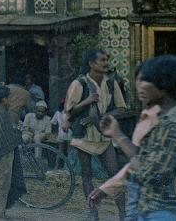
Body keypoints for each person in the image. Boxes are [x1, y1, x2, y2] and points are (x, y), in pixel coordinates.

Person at [87, 63, 163, 220]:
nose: (141, 87)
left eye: (147, 82)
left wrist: (118, 135)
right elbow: (137, 163)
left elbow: (145, 164)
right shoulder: (147, 118)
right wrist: (106, 188)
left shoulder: (167, 121)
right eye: (139, 81)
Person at [65, 48, 127, 221]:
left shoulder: (110, 83)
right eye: (102, 60)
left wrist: (99, 118)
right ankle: (93, 213)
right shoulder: (79, 83)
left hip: (103, 135)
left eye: (106, 59)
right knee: (86, 174)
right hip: (83, 135)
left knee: (114, 174)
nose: (106, 63)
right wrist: (87, 101)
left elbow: (121, 108)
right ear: (91, 64)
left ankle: (123, 214)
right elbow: (70, 111)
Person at [0, 84, 26, 220]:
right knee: (2, 184)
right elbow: (4, 136)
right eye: (9, 98)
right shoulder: (1, 113)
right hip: (4, 153)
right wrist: (20, 135)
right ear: (3, 99)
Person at [51, 98, 72, 169]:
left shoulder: (57, 113)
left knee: (60, 152)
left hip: (61, 134)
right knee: (69, 153)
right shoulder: (71, 112)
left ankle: (56, 167)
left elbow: (53, 123)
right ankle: (67, 168)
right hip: (70, 134)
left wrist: (56, 132)